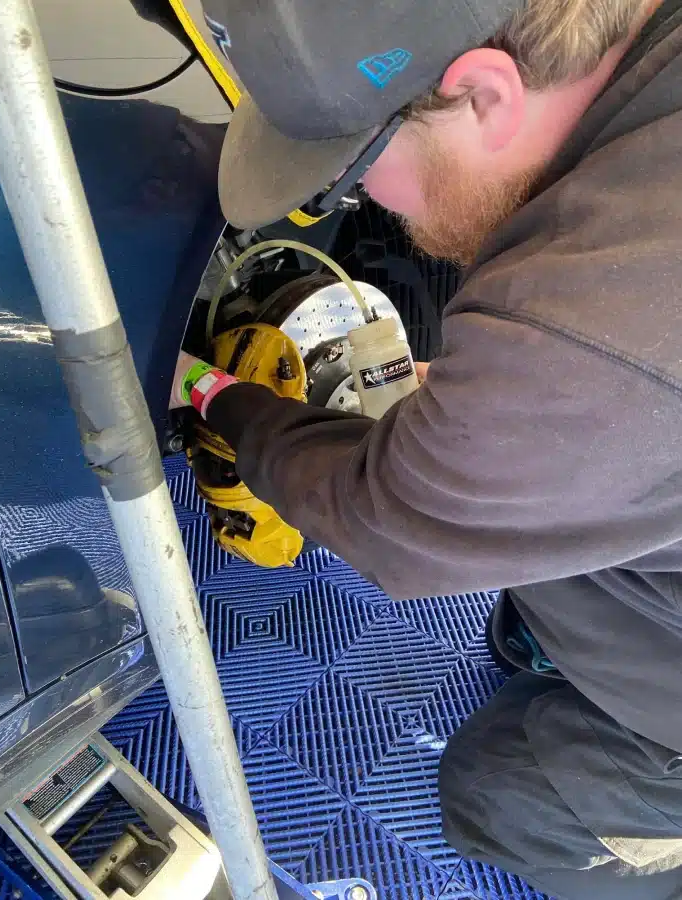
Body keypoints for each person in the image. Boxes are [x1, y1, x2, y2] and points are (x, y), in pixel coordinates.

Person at [171, 1, 682, 897]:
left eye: (353, 173)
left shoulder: (584, 340)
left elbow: (381, 513)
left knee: (494, 796)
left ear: (485, 93)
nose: (359, 201)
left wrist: (233, 406)